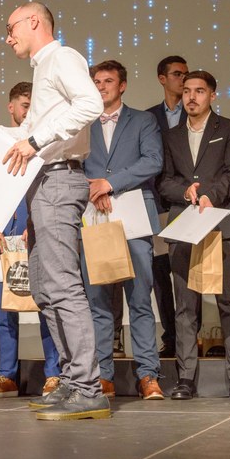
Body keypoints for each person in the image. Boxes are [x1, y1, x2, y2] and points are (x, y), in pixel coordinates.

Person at [0, 2, 109, 420]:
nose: (7, 37)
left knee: (63, 286)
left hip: (58, 179)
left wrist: (35, 143)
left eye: (11, 27)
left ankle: (88, 387)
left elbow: (90, 104)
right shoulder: (43, 69)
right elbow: (28, 133)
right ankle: (72, 380)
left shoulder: (62, 57)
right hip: (42, 183)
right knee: (44, 288)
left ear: (34, 21)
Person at [159, 70, 230, 401]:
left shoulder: (229, 128)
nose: (191, 97)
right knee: (185, 305)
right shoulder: (171, 136)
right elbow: (164, 181)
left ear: (212, 95)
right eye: (186, 91)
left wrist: (210, 194)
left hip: (221, 222)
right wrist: (185, 192)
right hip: (185, 225)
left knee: (229, 302)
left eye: (199, 91)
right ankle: (185, 377)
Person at [81, 60, 164, 401]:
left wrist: (110, 183)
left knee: (140, 299)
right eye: (97, 81)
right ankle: (104, 376)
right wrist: (94, 188)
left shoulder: (143, 120)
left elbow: (153, 161)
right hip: (95, 217)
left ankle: (148, 376)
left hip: (133, 217)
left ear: (122, 85)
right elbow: (73, 166)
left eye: (108, 81)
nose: (102, 86)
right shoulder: (82, 124)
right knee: (98, 301)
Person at [0, 82, 61, 399]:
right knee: (5, 310)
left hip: (37, 235)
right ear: (11, 107)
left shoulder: (46, 144)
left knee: (46, 307)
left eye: (33, 105)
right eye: (24, 105)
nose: (28, 111)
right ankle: (7, 376)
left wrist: (36, 223)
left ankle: (54, 375)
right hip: (3, 240)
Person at [146, 55, 190, 358]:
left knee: (189, 273)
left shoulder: (198, 112)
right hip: (160, 205)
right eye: (177, 74)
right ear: (162, 78)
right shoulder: (149, 118)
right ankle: (171, 337)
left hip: (191, 204)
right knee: (161, 274)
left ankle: (191, 335)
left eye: (186, 74)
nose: (183, 79)